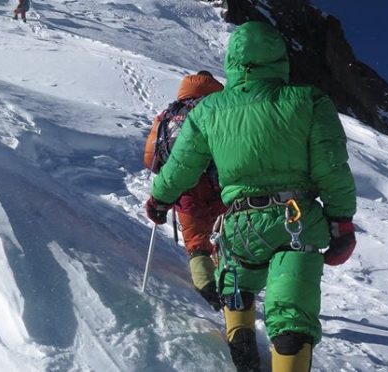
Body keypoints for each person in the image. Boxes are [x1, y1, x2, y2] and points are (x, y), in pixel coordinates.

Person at [145, 22, 357, 372]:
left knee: (237, 285)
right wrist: (341, 222)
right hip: (298, 222)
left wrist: (159, 200)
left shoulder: (208, 110)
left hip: (242, 224)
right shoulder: (309, 100)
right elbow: (331, 167)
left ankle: (241, 339)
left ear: (232, 60)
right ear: (279, 58)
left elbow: (181, 166)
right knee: (292, 315)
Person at [143, 71, 227, 311]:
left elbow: (151, 157)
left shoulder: (168, 114)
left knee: (196, 240)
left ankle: (206, 286)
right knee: (225, 236)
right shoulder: (219, 110)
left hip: (183, 188)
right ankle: (228, 285)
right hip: (219, 184)